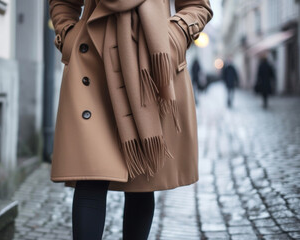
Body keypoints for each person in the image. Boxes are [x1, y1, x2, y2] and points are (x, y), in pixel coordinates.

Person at [49, 0, 213, 239]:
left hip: (149, 68)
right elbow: (63, 3)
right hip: (93, 62)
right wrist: (70, 36)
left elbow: (198, 5)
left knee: (142, 182)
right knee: (90, 178)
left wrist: (173, 36)